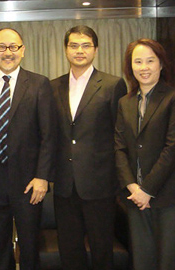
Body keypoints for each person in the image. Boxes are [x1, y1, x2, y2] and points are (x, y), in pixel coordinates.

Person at [0, 28, 57, 270]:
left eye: (14, 47)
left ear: (23, 50)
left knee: (30, 244)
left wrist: (42, 176)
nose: (7, 52)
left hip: (28, 179)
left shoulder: (40, 84)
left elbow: (48, 135)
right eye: (1, 47)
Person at [50, 25, 127, 270]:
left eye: (85, 45)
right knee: (69, 249)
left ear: (95, 49)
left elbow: (120, 137)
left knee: (102, 247)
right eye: (74, 45)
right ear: (65, 50)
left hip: (100, 185)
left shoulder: (113, 85)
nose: (79, 51)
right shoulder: (53, 87)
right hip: (64, 183)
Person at [115, 38, 175, 270]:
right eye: (138, 61)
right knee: (142, 260)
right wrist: (132, 186)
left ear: (161, 64)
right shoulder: (125, 102)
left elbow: (172, 148)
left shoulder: (171, 98)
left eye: (150, 61)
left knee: (167, 261)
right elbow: (119, 148)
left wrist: (147, 190)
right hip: (134, 198)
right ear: (130, 67)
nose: (144, 67)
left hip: (166, 196)